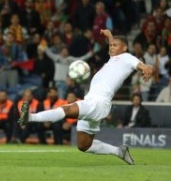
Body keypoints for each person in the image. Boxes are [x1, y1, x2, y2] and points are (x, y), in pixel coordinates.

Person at [18, 29, 154, 165]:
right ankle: (119, 151)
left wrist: (148, 68)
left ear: (124, 48)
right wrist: (110, 37)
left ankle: (30, 117)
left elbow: (142, 65)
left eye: (115, 45)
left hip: (99, 102)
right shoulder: (114, 58)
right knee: (84, 145)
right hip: (92, 102)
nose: (111, 47)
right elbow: (114, 46)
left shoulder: (126, 58)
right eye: (110, 45)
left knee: (67, 110)